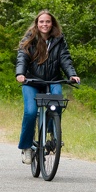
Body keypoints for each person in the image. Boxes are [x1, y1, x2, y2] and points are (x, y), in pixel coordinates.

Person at [15, 10, 80, 164]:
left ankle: (52, 134)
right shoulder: (29, 39)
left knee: (56, 106)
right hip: (31, 81)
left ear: (52, 24)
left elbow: (65, 58)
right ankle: (26, 148)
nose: (45, 24)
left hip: (53, 81)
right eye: (42, 22)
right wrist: (20, 74)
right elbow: (22, 58)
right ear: (37, 24)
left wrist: (72, 74)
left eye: (48, 22)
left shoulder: (59, 39)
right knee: (30, 112)